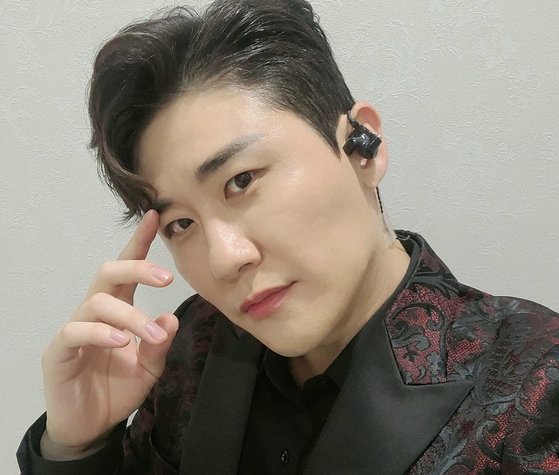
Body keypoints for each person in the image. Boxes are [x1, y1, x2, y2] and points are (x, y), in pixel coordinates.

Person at [17, 0, 559, 473]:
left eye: (242, 181)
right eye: (181, 223)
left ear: (363, 147)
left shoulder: (537, 385)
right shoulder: (195, 342)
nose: (223, 259)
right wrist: (76, 447)